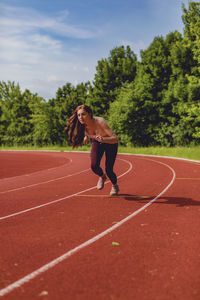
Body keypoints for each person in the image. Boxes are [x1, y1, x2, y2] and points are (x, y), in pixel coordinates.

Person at [65, 104, 119, 196]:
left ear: (90, 114)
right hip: (97, 142)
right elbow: (89, 131)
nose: (80, 117)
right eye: (78, 115)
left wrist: (103, 139)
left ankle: (114, 185)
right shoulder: (81, 125)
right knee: (94, 166)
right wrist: (87, 136)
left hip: (110, 143)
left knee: (109, 170)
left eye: (83, 114)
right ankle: (102, 176)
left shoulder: (100, 121)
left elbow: (116, 138)